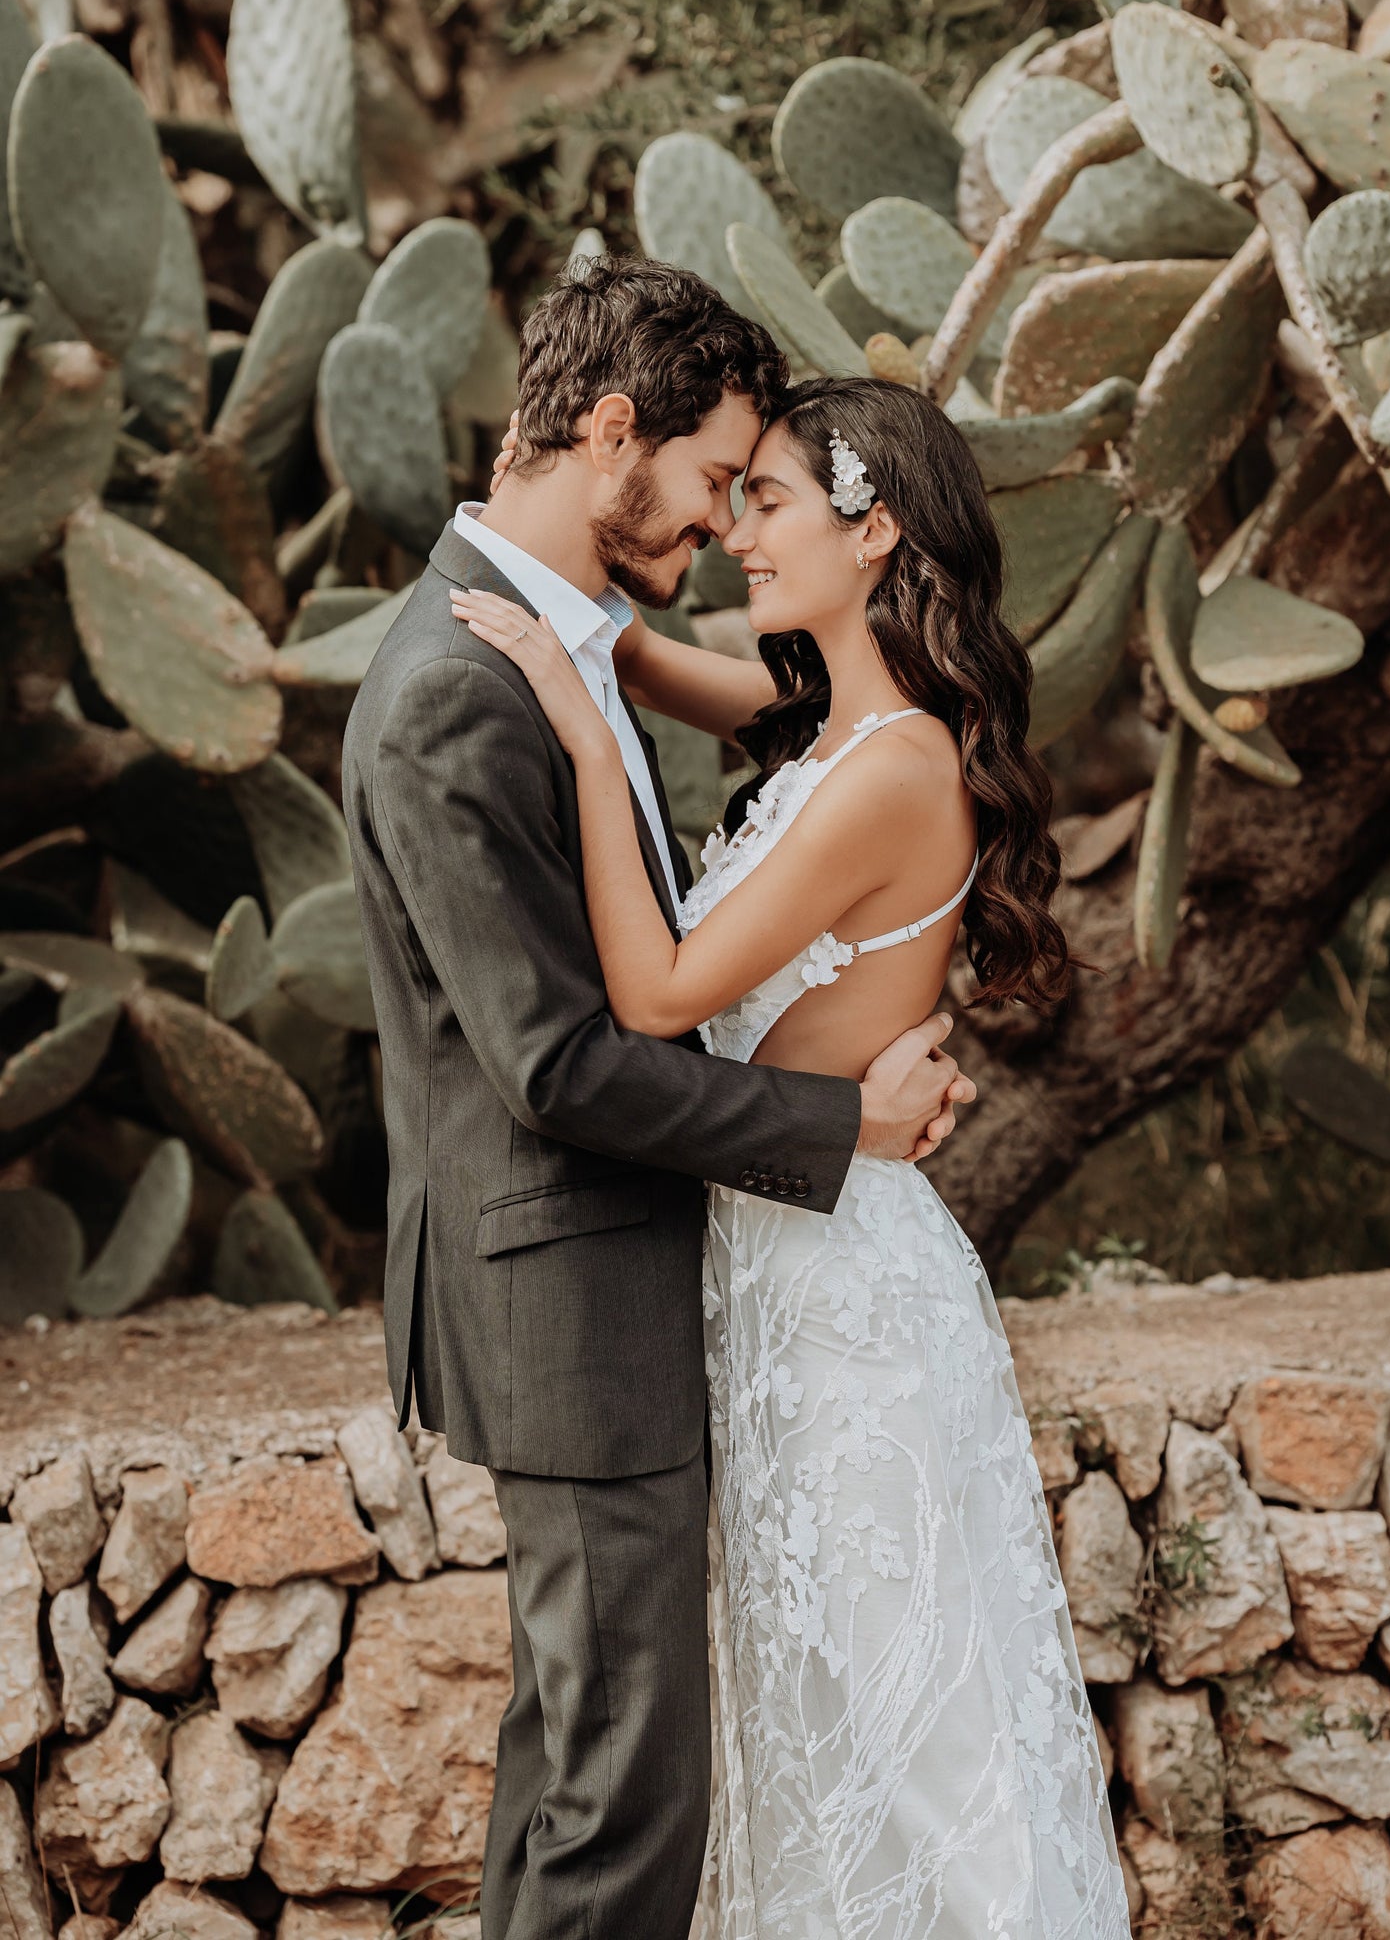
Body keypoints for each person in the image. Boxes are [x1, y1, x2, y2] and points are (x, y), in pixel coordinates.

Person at [340, 256, 974, 1940]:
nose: (716, 527)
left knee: (581, 1773)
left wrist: (611, 650)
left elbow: (788, 698)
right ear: (609, 431)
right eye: (710, 483)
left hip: (620, 1295)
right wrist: (842, 1129)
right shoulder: (455, 697)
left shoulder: (552, 644)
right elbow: (555, 1061)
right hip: (569, 1306)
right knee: (625, 1797)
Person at [457, 370, 1131, 1937]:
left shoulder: (889, 768)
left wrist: (569, 727)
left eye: (763, 500)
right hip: (776, 1265)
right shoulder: (822, 729)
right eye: (731, 495)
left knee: (916, 1735)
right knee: (814, 1733)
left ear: (873, 525)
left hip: (841, 1301)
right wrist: (532, 557)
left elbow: (656, 995)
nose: (732, 532)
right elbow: (646, 651)